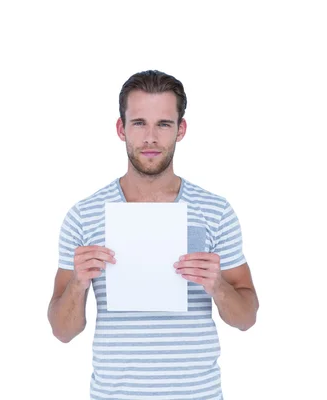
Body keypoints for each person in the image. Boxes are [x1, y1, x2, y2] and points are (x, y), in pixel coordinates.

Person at [47, 70, 259, 399]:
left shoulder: (215, 212)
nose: (150, 138)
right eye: (139, 123)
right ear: (121, 129)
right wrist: (78, 283)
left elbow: (246, 319)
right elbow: (62, 331)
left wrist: (217, 285)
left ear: (181, 129)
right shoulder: (84, 216)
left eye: (163, 124)